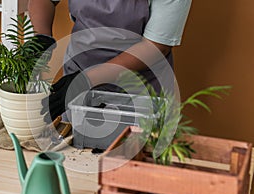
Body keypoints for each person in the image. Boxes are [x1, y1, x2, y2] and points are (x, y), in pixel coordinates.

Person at [28, 0, 192, 122]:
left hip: (138, 87)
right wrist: (42, 36)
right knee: (74, 148)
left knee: (130, 156)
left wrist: (87, 79)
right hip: (78, 70)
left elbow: (156, 46)